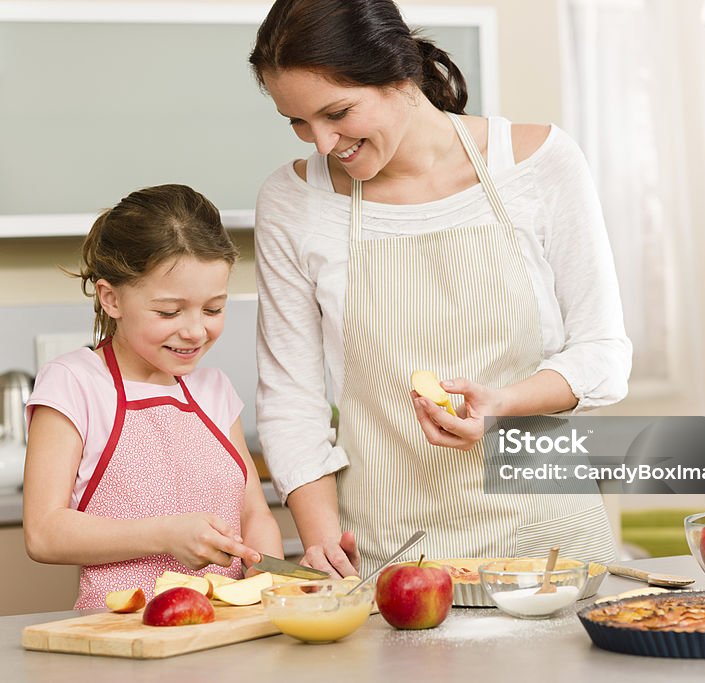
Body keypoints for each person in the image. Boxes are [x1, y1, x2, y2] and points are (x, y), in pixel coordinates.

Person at [249, 0, 631, 577]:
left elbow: (603, 355)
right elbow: (290, 400)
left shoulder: (539, 164)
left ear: (401, 77)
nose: (322, 143)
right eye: (299, 122)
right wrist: (322, 539)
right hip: (391, 550)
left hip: (551, 535)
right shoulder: (292, 201)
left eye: (338, 113)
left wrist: (502, 404)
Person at [23, 184, 282, 608]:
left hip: (225, 634)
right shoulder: (74, 384)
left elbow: (254, 513)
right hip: (121, 641)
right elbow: (44, 532)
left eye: (213, 309)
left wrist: (263, 568)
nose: (196, 330)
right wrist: (164, 536)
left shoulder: (213, 389)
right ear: (112, 299)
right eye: (169, 312)